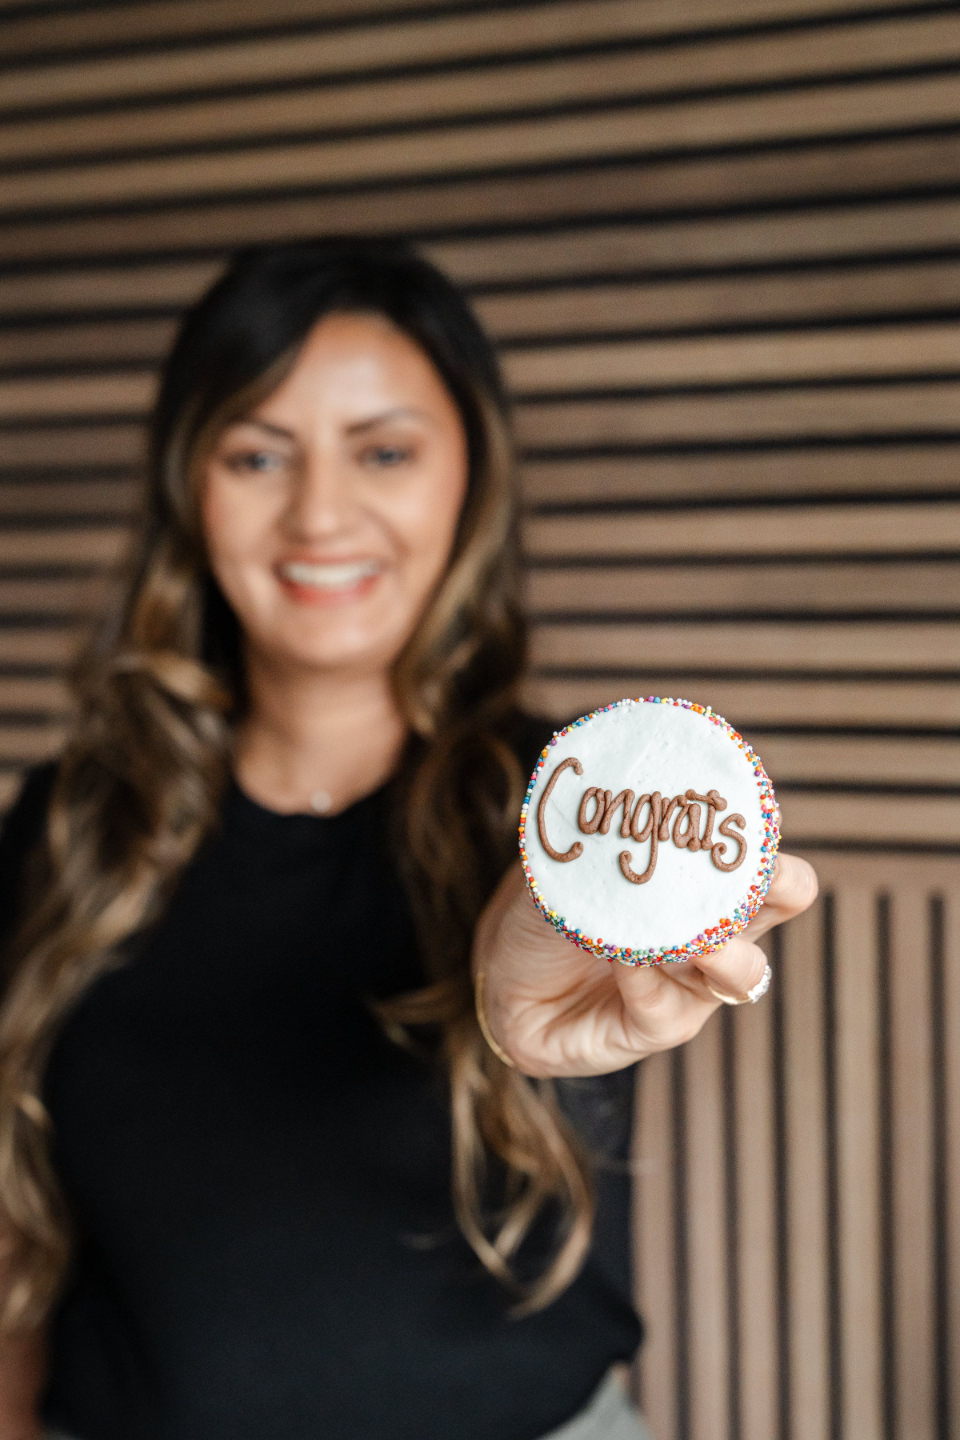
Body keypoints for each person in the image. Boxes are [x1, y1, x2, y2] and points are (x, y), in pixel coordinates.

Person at [0, 239, 815, 1440]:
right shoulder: (68, 824)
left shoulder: (574, 814)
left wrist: (516, 981)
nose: (320, 513)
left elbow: (525, 949)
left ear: (469, 477)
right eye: (257, 455)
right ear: (189, 485)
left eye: (383, 451)